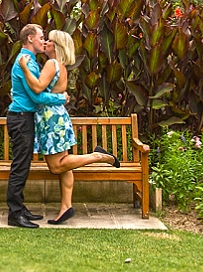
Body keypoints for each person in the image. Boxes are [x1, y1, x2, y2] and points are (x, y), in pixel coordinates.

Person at [18, 29, 119, 225]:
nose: (45, 42)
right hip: (58, 118)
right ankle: (66, 207)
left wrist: (24, 68)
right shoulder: (60, 66)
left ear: (56, 46)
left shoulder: (51, 64)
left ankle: (98, 156)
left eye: (49, 40)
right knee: (65, 164)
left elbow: (37, 88)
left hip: (51, 120)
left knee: (56, 166)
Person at [7, 24, 69, 228]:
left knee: (23, 165)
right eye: (41, 37)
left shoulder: (30, 61)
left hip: (24, 117)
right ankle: (15, 214)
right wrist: (61, 98)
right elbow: (36, 96)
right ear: (30, 38)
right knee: (20, 166)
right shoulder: (25, 62)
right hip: (21, 117)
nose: (43, 41)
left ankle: (19, 208)